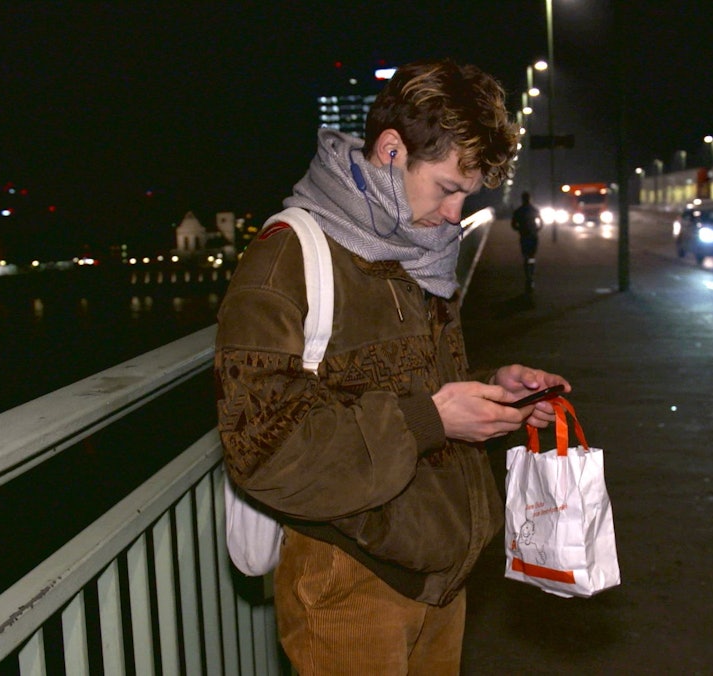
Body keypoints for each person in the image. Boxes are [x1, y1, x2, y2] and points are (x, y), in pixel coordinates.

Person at [215, 58, 570, 675]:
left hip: (439, 571)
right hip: (349, 576)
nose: (456, 214)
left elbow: (413, 389)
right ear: (390, 152)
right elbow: (263, 449)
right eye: (448, 188)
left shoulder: (419, 250)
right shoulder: (285, 261)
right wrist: (429, 422)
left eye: (469, 194)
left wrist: (492, 393)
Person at [510, 191, 542, 293]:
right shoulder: (534, 209)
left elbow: (513, 225)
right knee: (532, 256)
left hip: (524, 236)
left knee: (526, 256)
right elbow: (541, 223)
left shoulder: (518, 211)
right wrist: (536, 229)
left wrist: (520, 229)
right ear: (530, 199)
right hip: (533, 236)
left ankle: (528, 275)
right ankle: (531, 275)